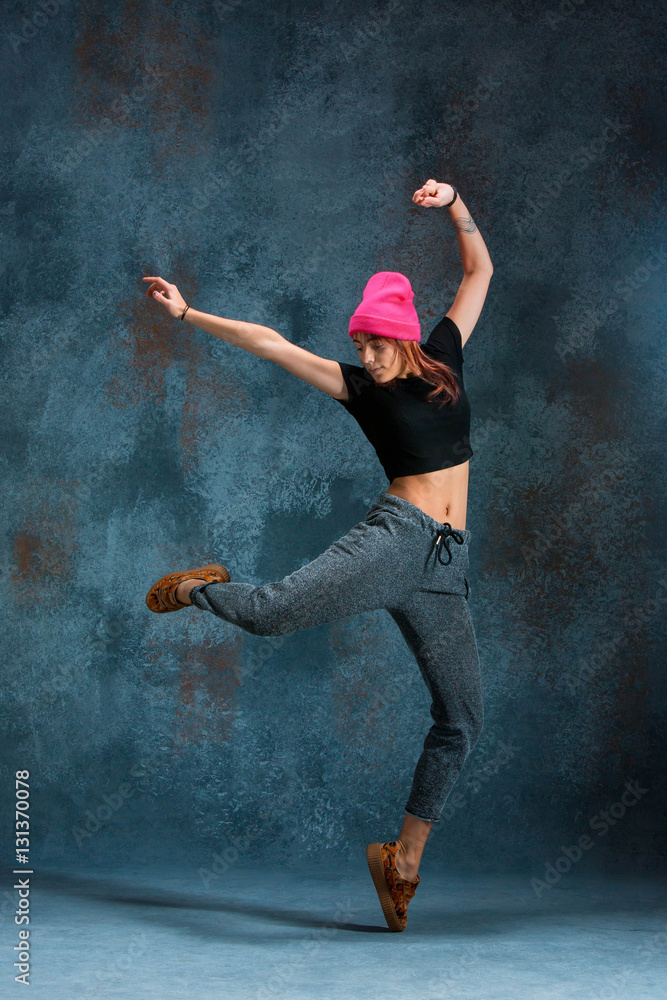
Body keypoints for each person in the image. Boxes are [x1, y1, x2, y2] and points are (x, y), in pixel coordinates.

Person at [144, 178, 494, 932]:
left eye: (373, 341)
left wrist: (455, 205)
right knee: (270, 617)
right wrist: (188, 313)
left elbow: (478, 273)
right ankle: (201, 588)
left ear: (401, 335)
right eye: (357, 341)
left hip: (445, 564)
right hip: (395, 538)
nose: (362, 353)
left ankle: (401, 861)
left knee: (462, 719)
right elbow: (268, 343)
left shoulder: (444, 354)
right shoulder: (356, 387)